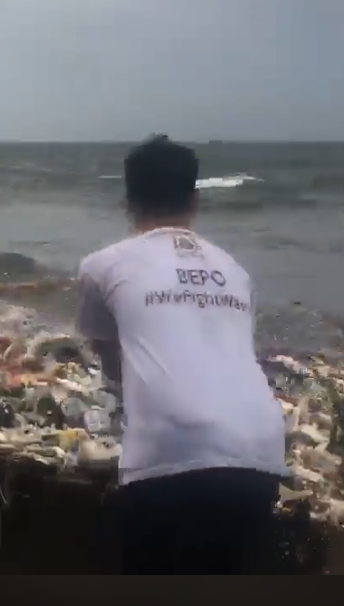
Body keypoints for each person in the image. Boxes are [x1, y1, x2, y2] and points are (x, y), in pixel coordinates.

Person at [76, 135, 289, 574]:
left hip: (169, 456)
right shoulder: (235, 270)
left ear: (128, 203)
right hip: (262, 450)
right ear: (194, 200)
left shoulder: (102, 265)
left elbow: (110, 359)